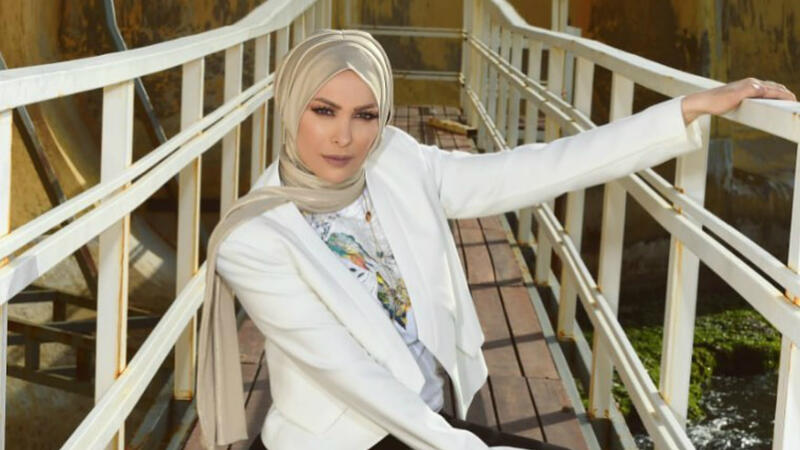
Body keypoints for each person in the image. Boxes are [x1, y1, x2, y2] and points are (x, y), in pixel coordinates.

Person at [195, 29, 796, 450]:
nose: (344, 137)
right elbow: (354, 379)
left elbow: (535, 169)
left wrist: (684, 110)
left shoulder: (395, 159)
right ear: (290, 106)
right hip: (354, 437)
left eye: (365, 114)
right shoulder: (255, 236)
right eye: (323, 110)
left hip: (437, 413)